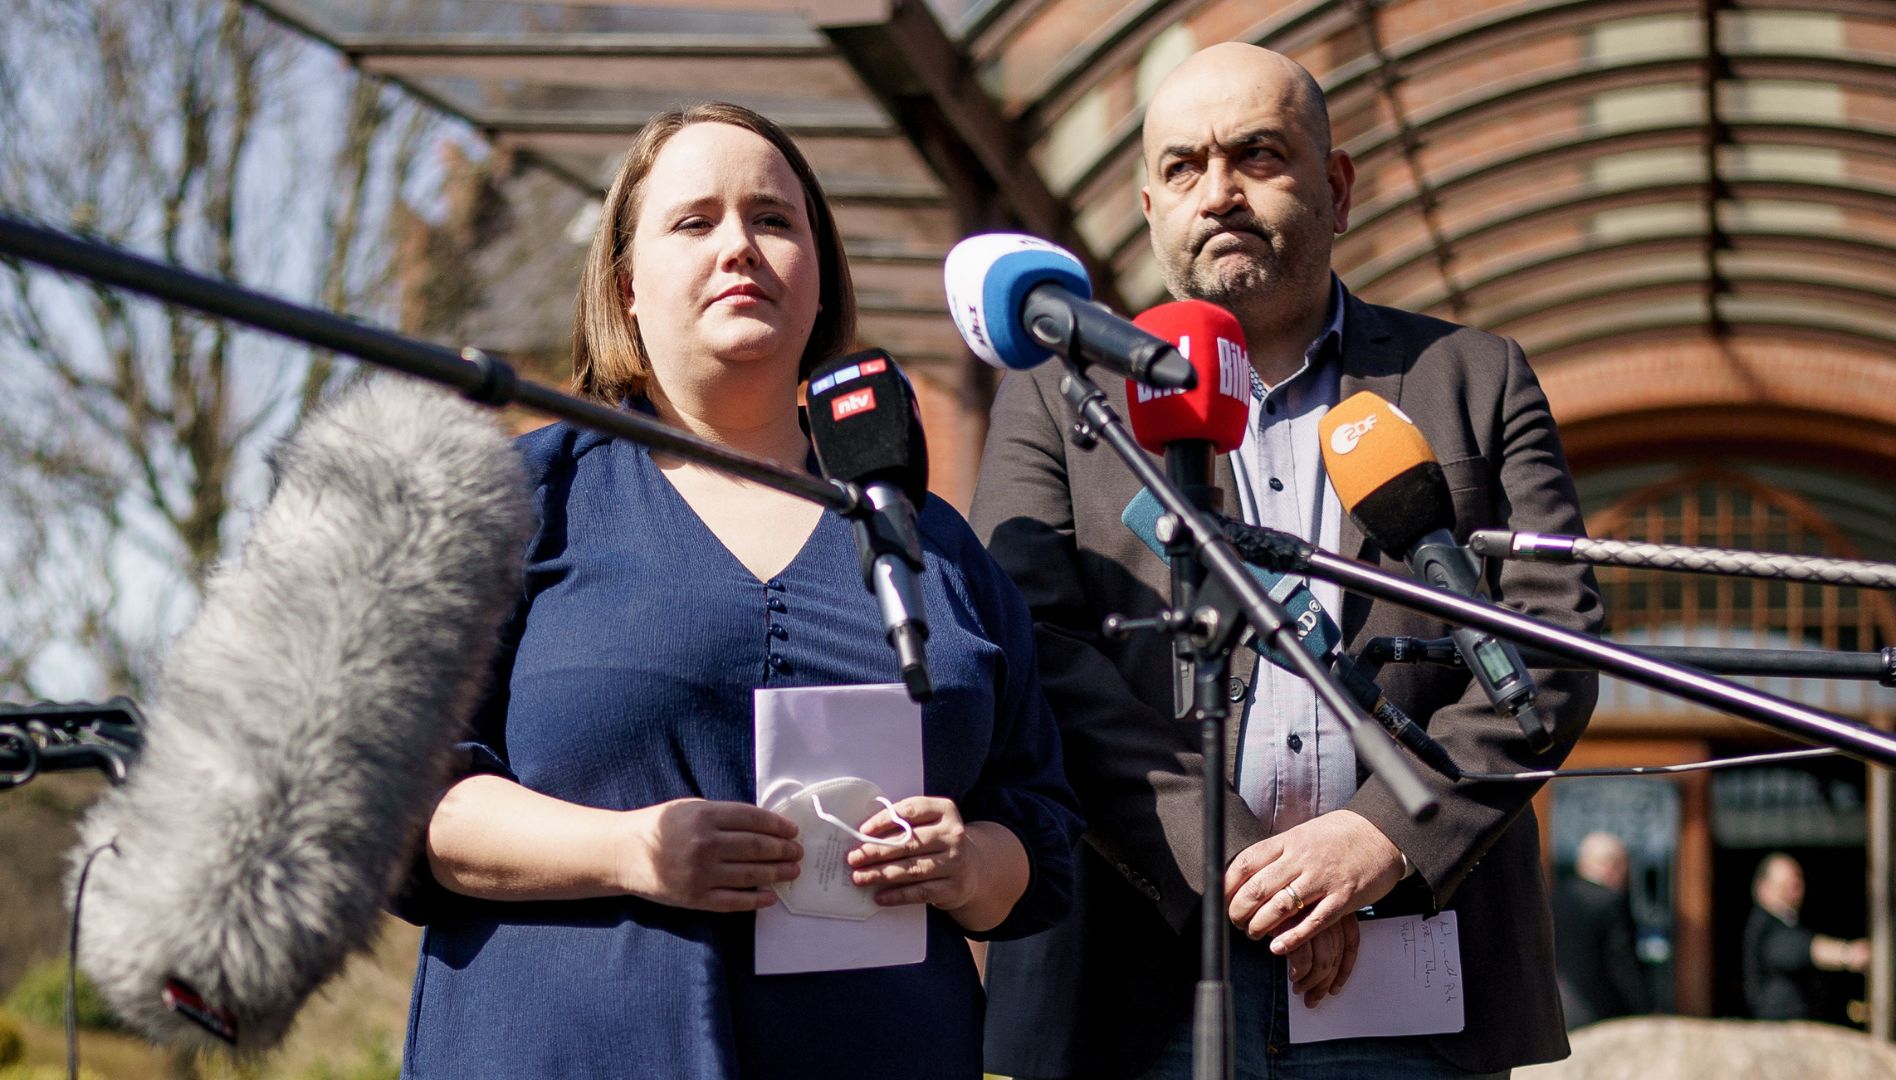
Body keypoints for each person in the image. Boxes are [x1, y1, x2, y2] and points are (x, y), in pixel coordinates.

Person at [392, 102, 1081, 1080]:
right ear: (627, 284)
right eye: (694, 221)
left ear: (818, 275)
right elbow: (405, 807)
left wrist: (966, 862)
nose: (740, 247)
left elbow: (1042, 839)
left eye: (773, 219)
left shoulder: (933, 540)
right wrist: (626, 851)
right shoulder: (515, 501)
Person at [970, 43, 1603, 1078]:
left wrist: (1378, 839)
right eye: (1183, 168)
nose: (1217, 192)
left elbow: (1552, 642)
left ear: (1336, 185)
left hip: (1411, 978)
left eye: (1257, 155)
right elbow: (1042, 657)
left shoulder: (1470, 380)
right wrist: (1248, 870)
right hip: (1141, 974)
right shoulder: (1058, 395)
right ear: (1146, 204)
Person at [1743, 853, 1869, 1022]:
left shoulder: (1791, 921)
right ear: (1763, 888)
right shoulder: (1764, 924)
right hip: (1780, 1029)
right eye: (1784, 885)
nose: (1795, 888)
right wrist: (1847, 954)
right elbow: (1799, 949)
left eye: (1797, 883)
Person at [1552, 832, 1653, 1029]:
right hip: (1599, 1013)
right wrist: (1645, 1008)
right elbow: (1622, 964)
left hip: (1555, 1009)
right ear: (1612, 866)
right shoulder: (1611, 902)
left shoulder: (1554, 897)